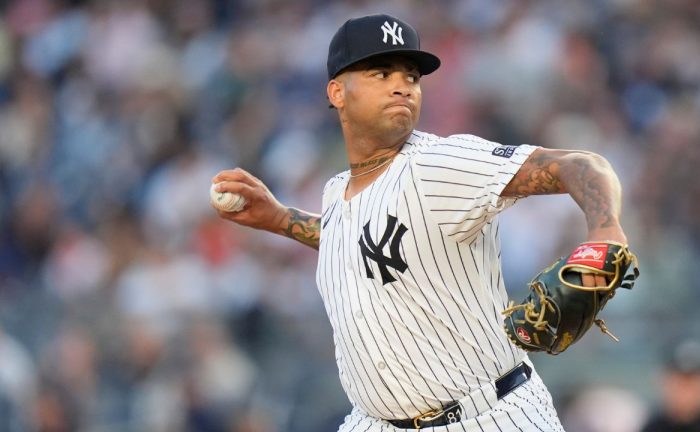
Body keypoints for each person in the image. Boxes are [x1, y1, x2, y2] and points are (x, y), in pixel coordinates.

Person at [213, 14, 629, 431]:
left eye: (411, 77)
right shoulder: (337, 191)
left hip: (485, 416)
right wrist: (281, 219)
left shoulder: (437, 165)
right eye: (381, 72)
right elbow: (367, 244)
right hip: (375, 423)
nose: (402, 86)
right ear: (337, 91)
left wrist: (606, 233)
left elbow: (582, 165)